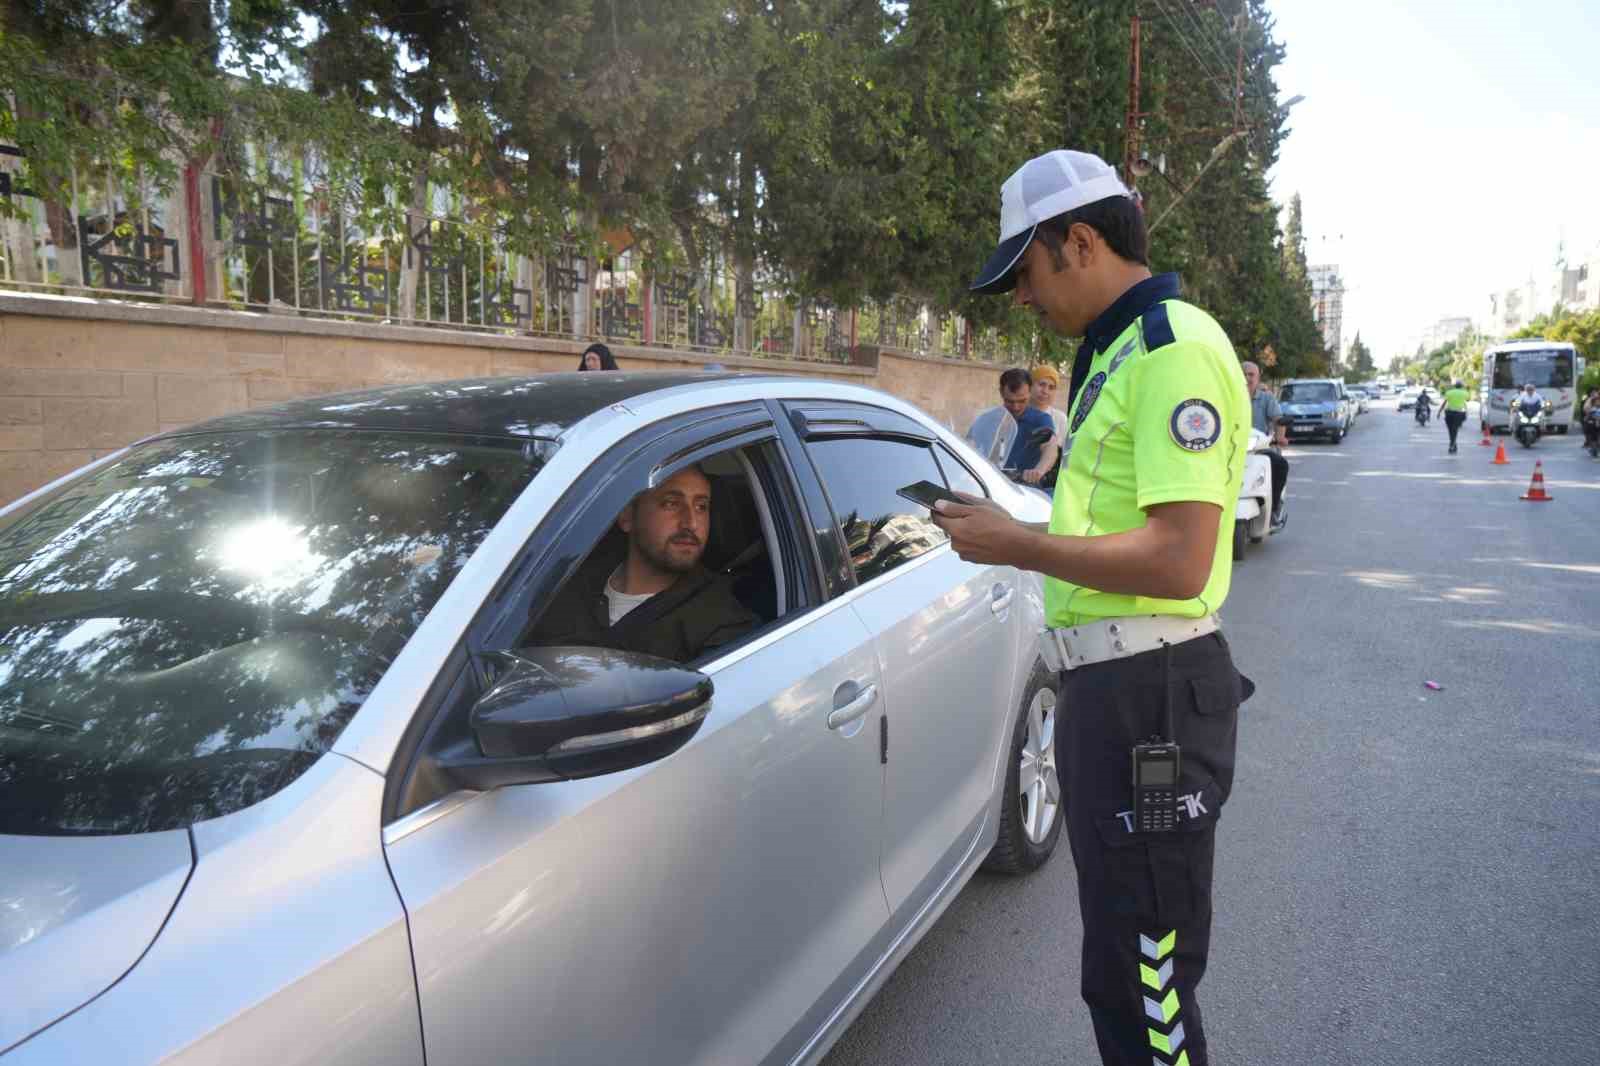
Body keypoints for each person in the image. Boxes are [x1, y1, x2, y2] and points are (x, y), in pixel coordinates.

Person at [935, 148, 1250, 1066]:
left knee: (1147, 982)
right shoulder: (1112, 354)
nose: (1023, 299)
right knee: (1118, 970)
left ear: (1079, 242)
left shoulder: (1173, 349)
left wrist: (1017, 544)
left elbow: (1183, 556)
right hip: (1115, 697)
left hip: (1150, 700)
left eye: (1026, 273)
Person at [525, 465, 758, 663]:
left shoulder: (723, 625)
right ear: (627, 517)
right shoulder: (564, 586)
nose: (691, 523)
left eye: (701, 507)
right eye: (671, 504)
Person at [965, 367, 1061, 483]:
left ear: (1030, 391)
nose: (1016, 407)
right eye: (1010, 401)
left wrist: (1039, 470)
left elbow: (1050, 447)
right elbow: (970, 445)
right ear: (1001, 392)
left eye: (1022, 401)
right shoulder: (989, 418)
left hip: (1024, 488)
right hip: (990, 483)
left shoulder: (1041, 419)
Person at [1241, 361, 1288, 529]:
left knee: (1280, 465)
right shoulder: (1230, 396)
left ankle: (1274, 509)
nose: (1247, 378)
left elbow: (1278, 419)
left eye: (1251, 374)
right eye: (1243, 374)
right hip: (1233, 448)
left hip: (1260, 448)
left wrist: (1281, 437)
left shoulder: (1266, 398)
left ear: (1258, 377)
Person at [1436, 379, 1471, 453]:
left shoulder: (1449, 392)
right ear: (1461, 386)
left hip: (1449, 413)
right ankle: (1453, 444)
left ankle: (1452, 444)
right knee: (1454, 430)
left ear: (1454, 386)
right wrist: (1467, 390)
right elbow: (1468, 400)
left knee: (1451, 430)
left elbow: (1444, 403)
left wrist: (1439, 412)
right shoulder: (1464, 393)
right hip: (1459, 414)